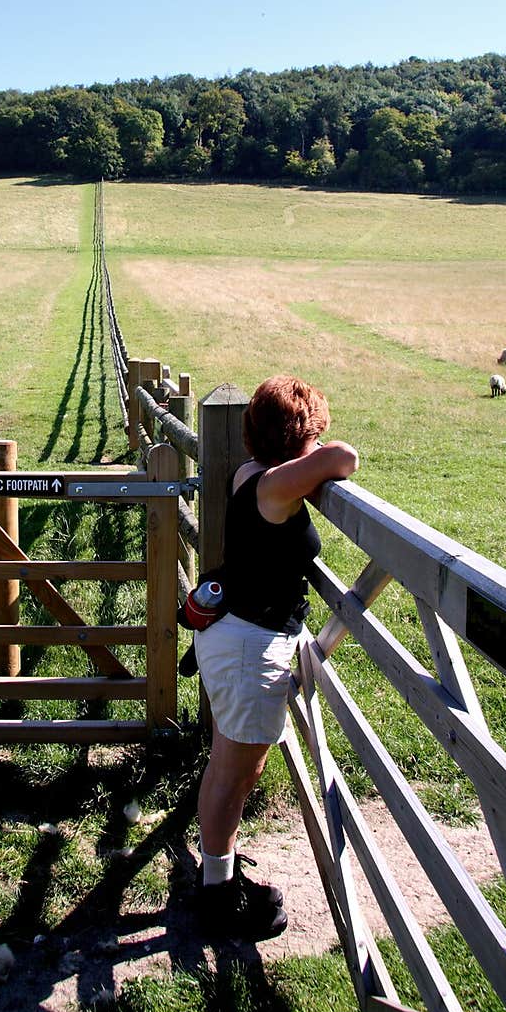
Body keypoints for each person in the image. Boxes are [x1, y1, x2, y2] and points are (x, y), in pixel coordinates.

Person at [193, 374, 359, 940]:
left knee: (231, 767)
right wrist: (315, 455)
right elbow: (345, 458)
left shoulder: (249, 473)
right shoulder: (274, 486)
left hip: (233, 637)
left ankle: (218, 873)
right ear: (299, 436)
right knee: (233, 772)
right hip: (248, 647)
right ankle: (216, 897)